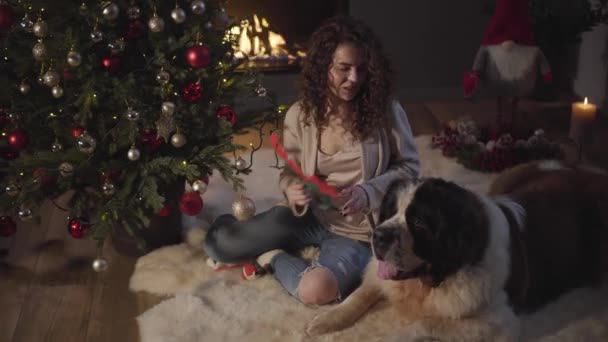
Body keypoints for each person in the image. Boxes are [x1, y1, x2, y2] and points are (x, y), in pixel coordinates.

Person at [203, 15, 420, 305]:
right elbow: (290, 171)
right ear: (323, 68)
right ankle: (251, 234)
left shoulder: (387, 112)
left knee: (317, 291)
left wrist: (368, 192)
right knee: (221, 245)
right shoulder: (300, 115)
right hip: (306, 218)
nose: (354, 78)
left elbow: (410, 168)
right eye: (343, 68)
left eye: (361, 69)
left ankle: (273, 258)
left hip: (357, 233)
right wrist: (291, 188)